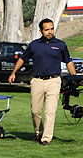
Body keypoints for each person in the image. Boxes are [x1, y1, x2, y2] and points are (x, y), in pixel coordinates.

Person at [8, 18, 77, 146]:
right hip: (37, 81)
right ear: (41, 31)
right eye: (47, 30)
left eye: (52, 29)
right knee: (35, 111)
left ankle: (46, 138)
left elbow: (68, 61)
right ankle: (38, 132)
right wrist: (13, 73)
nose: (50, 32)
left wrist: (74, 77)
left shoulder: (60, 45)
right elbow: (22, 59)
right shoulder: (34, 45)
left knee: (50, 111)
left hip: (54, 81)